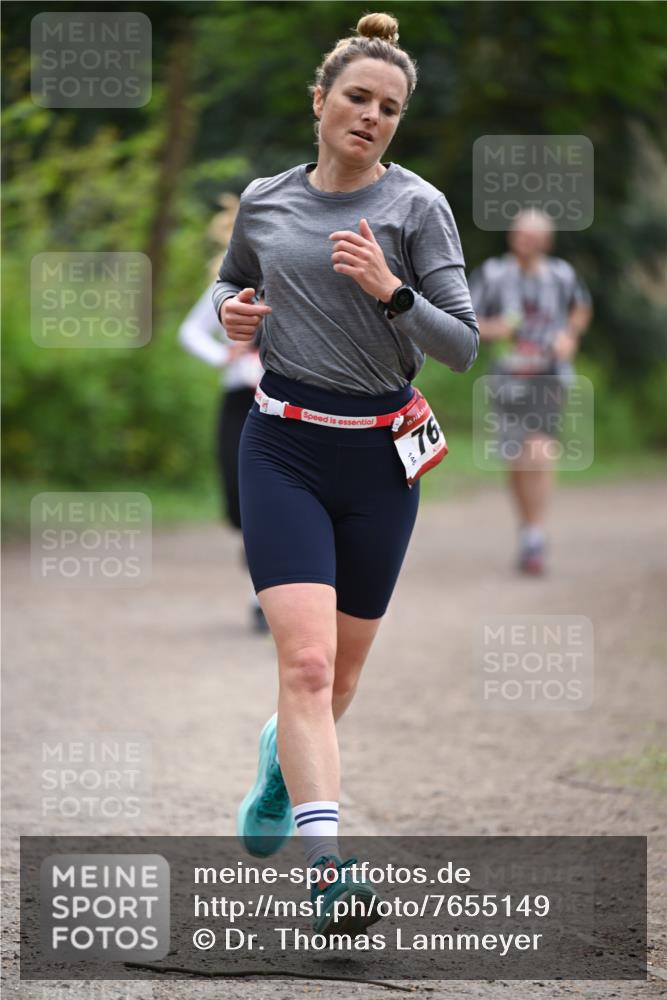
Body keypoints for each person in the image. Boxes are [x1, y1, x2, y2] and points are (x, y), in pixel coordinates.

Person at [213, 12, 478, 934]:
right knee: (309, 659)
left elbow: (464, 346)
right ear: (321, 100)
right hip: (281, 442)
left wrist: (390, 291)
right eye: (357, 98)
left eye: (389, 108)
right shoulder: (266, 198)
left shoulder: (417, 208)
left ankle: (278, 764)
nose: (371, 116)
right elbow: (229, 282)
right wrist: (234, 313)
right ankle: (329, 869)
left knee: (341, 679)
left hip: (378, 457)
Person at [469, 210, 592, 575]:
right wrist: (497, 328)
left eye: (533, 236)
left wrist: (569, 335)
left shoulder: (561, 274)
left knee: (540, 448)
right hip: (507, 379)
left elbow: (581, 307)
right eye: (520, 234)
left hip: (549, 376)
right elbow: (467, 319)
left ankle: (536, 532)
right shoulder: (492, 274)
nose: (525, 241)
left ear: (546, 241)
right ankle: (527, 530)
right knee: (517, 456)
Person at [178, 195, 268, 633]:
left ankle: (262, 596)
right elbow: (190, 331)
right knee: (239, 501)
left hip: (287, 404)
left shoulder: (303, 279)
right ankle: (254, 550)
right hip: (239, 402)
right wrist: (222, 357)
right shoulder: (226, 283)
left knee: (268, 504)